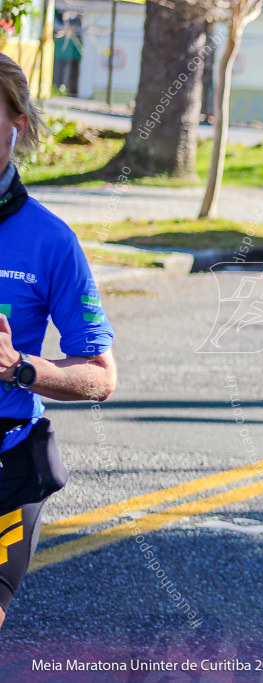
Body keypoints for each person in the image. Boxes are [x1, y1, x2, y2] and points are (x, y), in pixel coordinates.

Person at [0, 53, 116, 628]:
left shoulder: (49, 241)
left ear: (16, 123)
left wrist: (20, 367)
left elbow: (100, 375)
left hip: (7, 463)